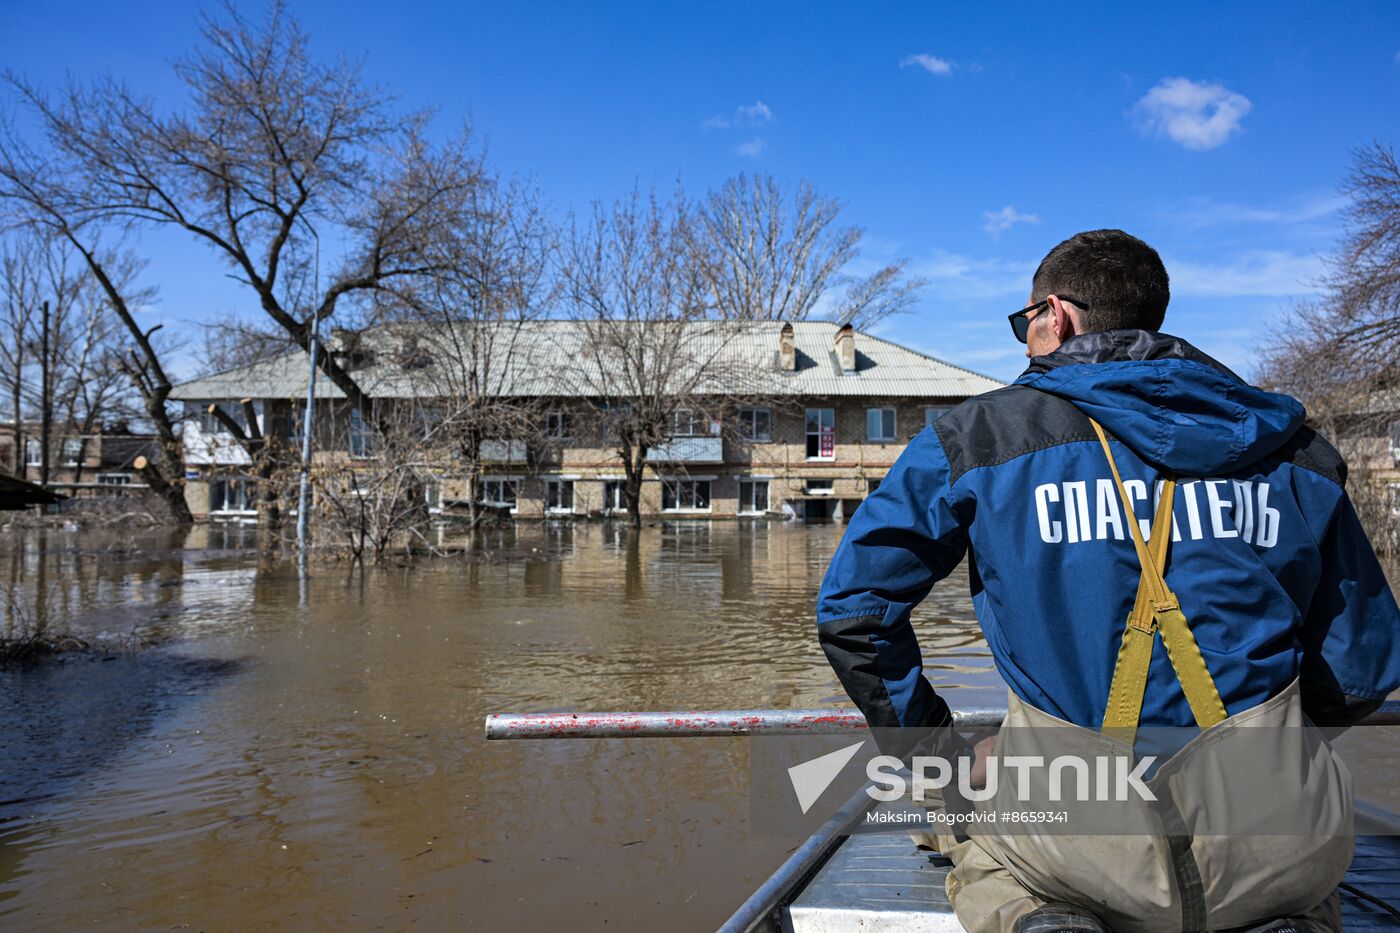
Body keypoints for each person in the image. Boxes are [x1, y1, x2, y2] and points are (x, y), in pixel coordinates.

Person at [816, 229, 1400, 933]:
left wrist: (940, 754)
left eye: (1023, 322)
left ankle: (1044, 915)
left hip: (1074, 841)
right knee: (1293, 876)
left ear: (1053, 317)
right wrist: (1266, 750)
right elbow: (1364, 664)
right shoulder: (1293, 449)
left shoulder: (980, 439)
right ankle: (1283, 916)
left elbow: (854, 611)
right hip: (1275, 842)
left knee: (985, 854)